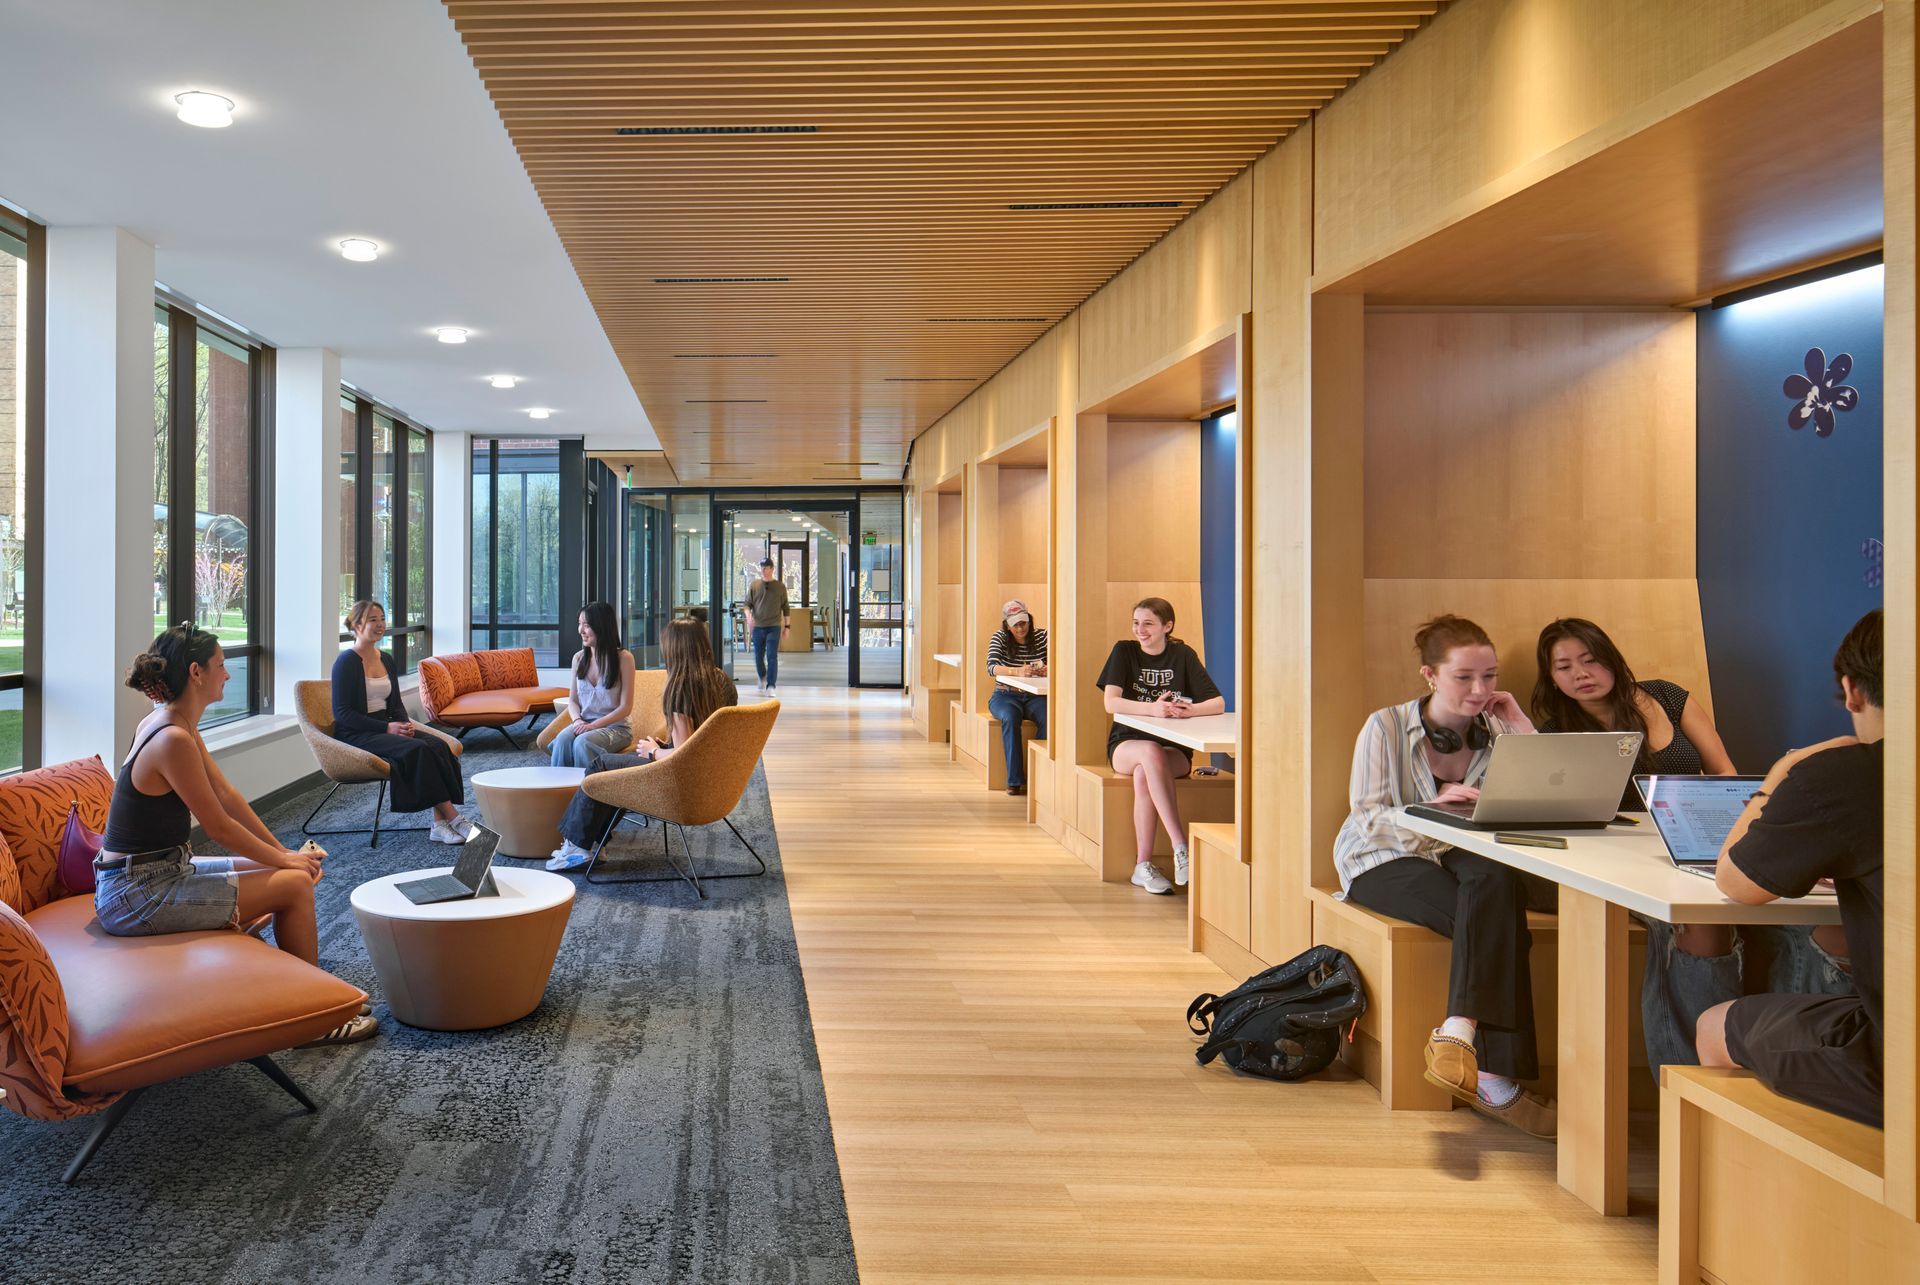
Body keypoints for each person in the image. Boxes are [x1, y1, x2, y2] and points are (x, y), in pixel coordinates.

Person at [1527, 617, 1845, 1078]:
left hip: (1701, 836)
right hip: (1621, 857)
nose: (1580, 673)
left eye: (1590, 659)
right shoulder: (1557, 732)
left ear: (1611, 658)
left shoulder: (1669, 698)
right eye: (1564, 667)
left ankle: (1791, 1068)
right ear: (1551, 678)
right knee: (1694, 923)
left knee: (1798, 917)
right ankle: (1691, 1081)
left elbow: (1724, 774)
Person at [100, 623, 376, 1046]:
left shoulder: (177, 723)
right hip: (137, 893)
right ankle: (312, 1019)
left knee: (285, 868)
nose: (227, 674)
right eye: (220, 666)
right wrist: (286, 862)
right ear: (196, 672)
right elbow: (218, 826)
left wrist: (280, 850)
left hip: (159, 871)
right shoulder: (171, 737)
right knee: (293, 885)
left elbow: (227, 797)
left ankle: (311, 998)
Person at [1333, 614, 1556, 1137]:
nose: (1481, 691)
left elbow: (1549, 799)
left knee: (1496, 886)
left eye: (1491, 676)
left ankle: (1459, 1033)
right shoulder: (1384, 726)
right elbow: (1369, 818)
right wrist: (1431, 811)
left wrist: (1521, 725)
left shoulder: (1500, 731)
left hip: (1468, 856)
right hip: (1381, 859)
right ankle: (1498, 1079)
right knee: (1496, 916)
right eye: (1464, 677)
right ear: (1430, 675)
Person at [1695, 610, 1885, 1126]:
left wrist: (1781, 774)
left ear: (1851, 690)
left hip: (1898, 1063)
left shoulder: (1847, 774)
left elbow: (1735, 883)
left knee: (1714, 1026)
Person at [547, 619, 741, 872]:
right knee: (613, 771)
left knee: (603, 765)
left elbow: (683, 754)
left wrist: (654, 751)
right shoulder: (721, 681)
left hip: (680, 781)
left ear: (674, 649)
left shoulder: (681, 686)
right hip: (713, 779)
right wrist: (666, 743)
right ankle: (593, 842)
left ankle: (576, 847)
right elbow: (701, 738)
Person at [1096, 598, 1223, 895]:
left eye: (1148, 624)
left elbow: (1217, 703)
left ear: (1168, 626)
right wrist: (1152, 709)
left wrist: (1191, 711)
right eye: (1136, 623)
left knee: (1146, 773)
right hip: (1126, 745)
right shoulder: (1123, 651)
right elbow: (1110, 702)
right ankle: (1181, 845)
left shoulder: (1183, 655)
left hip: (1173, 751)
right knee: (1148, 753)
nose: (1140, 630)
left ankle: (1143, 866)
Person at [332, 600, 473, 845]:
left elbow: (395, 703)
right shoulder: (346, 662)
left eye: (382, 618)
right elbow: (343, 713)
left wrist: (402, 724)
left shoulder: (385, 659)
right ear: (356, 625)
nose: (380, 624)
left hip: (387, 725)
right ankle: (454, 818)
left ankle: (438, 824)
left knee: (439, 746)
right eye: (372, 619)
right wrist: (387, 728)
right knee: (417, 750)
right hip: (357, 732)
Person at [550, 601, 637, 769]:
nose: (580, 630)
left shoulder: (624, 658)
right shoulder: (578, 659)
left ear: (602, 626)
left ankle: (587, 792)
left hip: (616, 729)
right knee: (562, 740)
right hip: (584, 723)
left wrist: (593, 726)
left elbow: (626, 707)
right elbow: (573, 701)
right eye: (579, 624)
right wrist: (577, 721)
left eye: (587, 625)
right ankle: (559, 791)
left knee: (582, 742)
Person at [986, 599, 1048, 797]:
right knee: (1010, 719)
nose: (1021, 628)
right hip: (1005, 695)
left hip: (1035, 696)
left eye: (1024, 622)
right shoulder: (999, 638)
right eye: (1016, 625)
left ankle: (1040, 774)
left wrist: (1049, 669)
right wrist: (1017, 671)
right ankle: (1014, 780)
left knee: (1049, 718)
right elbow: (992, 667)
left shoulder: (1043, 636)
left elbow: (1062, 658)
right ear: (1007, 625)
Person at [745, 558, 790, 695]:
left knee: (771, 655)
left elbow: (786, 608)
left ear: (772, 569)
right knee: (758, 656)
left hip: (773, 626)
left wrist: (787, 627)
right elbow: (747, 604)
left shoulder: (780, 586)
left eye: (766, 568)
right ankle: (762, 676)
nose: (763, 570)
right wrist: (748, 617)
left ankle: (771, 685)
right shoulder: (755, 585)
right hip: (758, 627)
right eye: (762, 568)